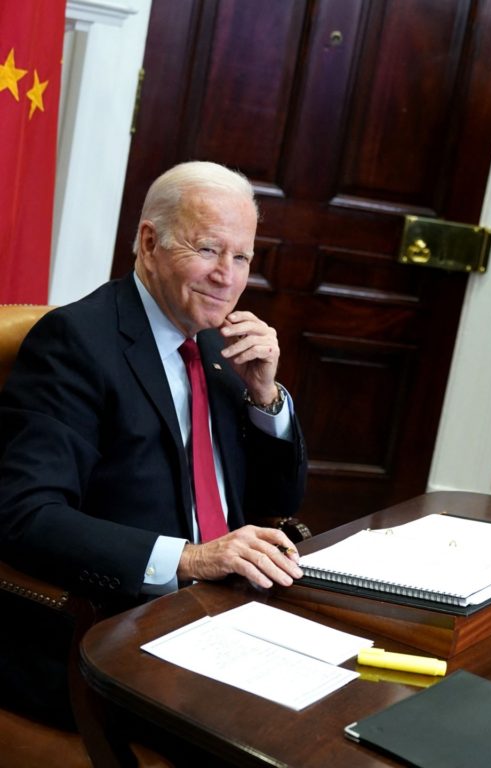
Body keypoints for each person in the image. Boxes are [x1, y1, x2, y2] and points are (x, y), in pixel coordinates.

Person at [0, 161, 307, 727]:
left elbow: (279, 499)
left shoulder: (218, 349)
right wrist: (191, 558)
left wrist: (265, 398)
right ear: (148, 242)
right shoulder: (76, 344)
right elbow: (25, 515)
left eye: (241, 258)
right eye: (209, 249)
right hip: (116, 635)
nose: (227, 276)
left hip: (228, 618)